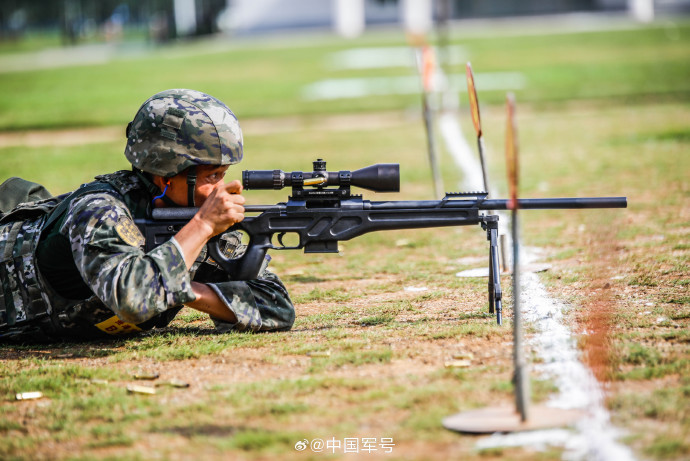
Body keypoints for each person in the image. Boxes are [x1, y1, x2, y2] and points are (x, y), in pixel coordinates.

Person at [0, 89, 295, 341]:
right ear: (167, 175)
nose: (222, 190)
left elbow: (276, 307)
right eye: (212, 176)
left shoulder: (189, 219)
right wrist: (202, 227)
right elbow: (134, 301)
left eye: (223, 174)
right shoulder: (100, 210)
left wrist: (187, 288)